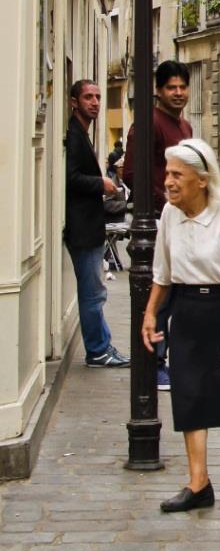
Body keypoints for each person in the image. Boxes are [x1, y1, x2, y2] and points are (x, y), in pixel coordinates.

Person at [142, 138, 220, 513]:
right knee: (190, 393)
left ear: (201, 179)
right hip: (189, 309)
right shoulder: (169, 214)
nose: (169, 182)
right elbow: (162, 273)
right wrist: (150, 314)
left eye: (178, 175)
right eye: (168, 174)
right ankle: (199, 484)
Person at [124, 60, 193, 391]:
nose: (178, 93)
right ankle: (155, 362)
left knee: (178, 292)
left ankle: (171, 358)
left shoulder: (185, 128)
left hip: (182, 222)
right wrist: (161, 204)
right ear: (159, 90)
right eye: (171, 87)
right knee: (161, 293)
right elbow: (132, 173)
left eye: (182, 87)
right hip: (156, 222)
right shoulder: (148, 124)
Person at [64, 80, 130, 368]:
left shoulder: (83, 133)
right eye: (88, 97)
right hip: (82, 226)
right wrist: (102, 183)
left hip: (89, 225)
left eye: (98, 97)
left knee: (96, 291)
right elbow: (72, 178)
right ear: (73, 101)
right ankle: (97, 351)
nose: (95, 102)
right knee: (93, 292)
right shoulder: (74, 135)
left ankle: (103, 346)